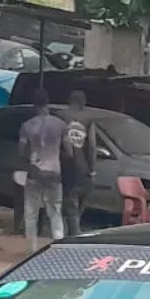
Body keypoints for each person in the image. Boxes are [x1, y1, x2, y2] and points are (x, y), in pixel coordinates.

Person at [16, 89, 67, 245]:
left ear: (34, 105)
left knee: (31, 213)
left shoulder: (27, 126)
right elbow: (69, 151)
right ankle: (58, 246)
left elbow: (21, 152)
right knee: (55, 212)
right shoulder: (61, 125)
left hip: (34, 173)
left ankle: (31, 249)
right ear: (48, 103)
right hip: (54, 173)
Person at [60, 90, 96, 238]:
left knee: (69, 204)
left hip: (65, 165)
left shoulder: (61, 116)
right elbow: (92, 146)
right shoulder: (88, 120)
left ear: (69, 100)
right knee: (78, 205)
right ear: (83, 103)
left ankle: (72, 234)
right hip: (83, 168)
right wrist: (92, 170)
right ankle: (74, 234)